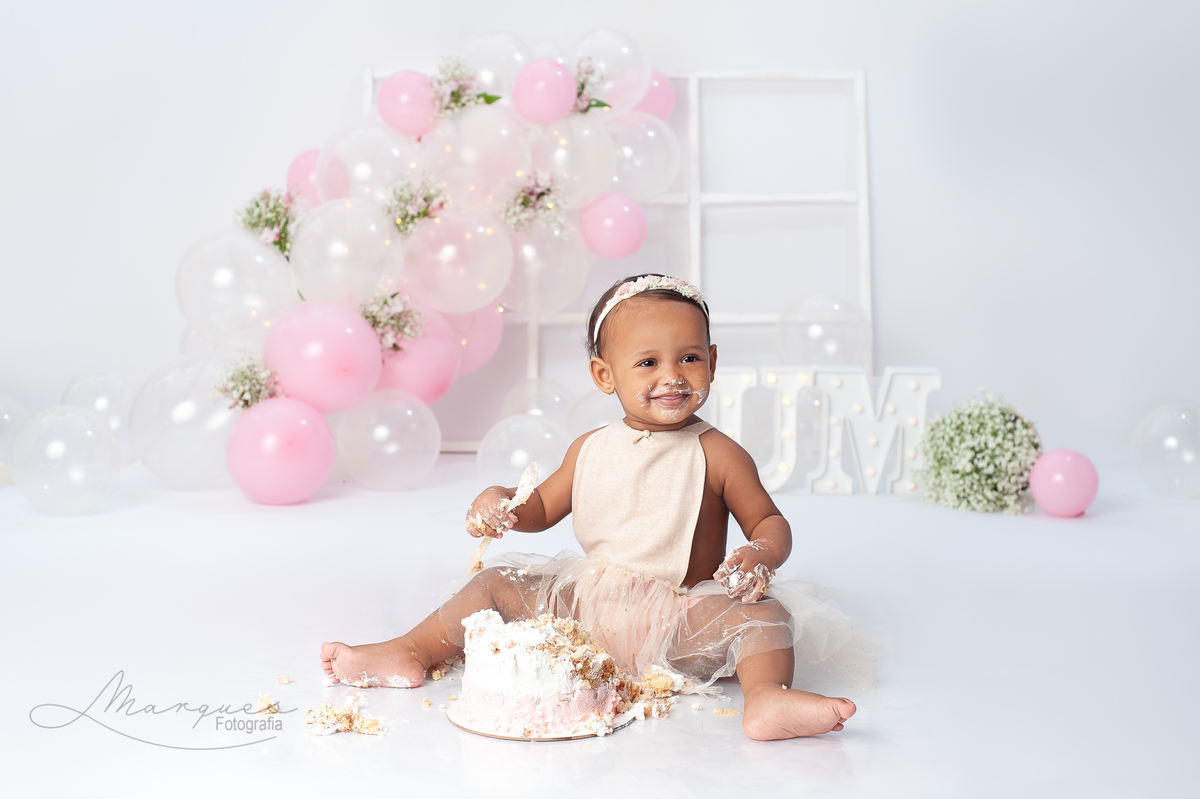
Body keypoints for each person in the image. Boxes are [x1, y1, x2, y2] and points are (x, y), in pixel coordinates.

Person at [321, 273, 874, 740]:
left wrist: (760, 554)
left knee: (766, 615)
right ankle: (410, 649)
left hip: (679, 619)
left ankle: (767, 698)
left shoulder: (719, 453)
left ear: (711, 361)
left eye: (689, 358)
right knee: (494, 582)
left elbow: (769, 521)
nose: (672, 376)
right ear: (604, 375)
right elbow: (541, 508)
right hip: (585, 611)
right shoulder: (589, 448)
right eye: (648, 362)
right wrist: (503, 502)